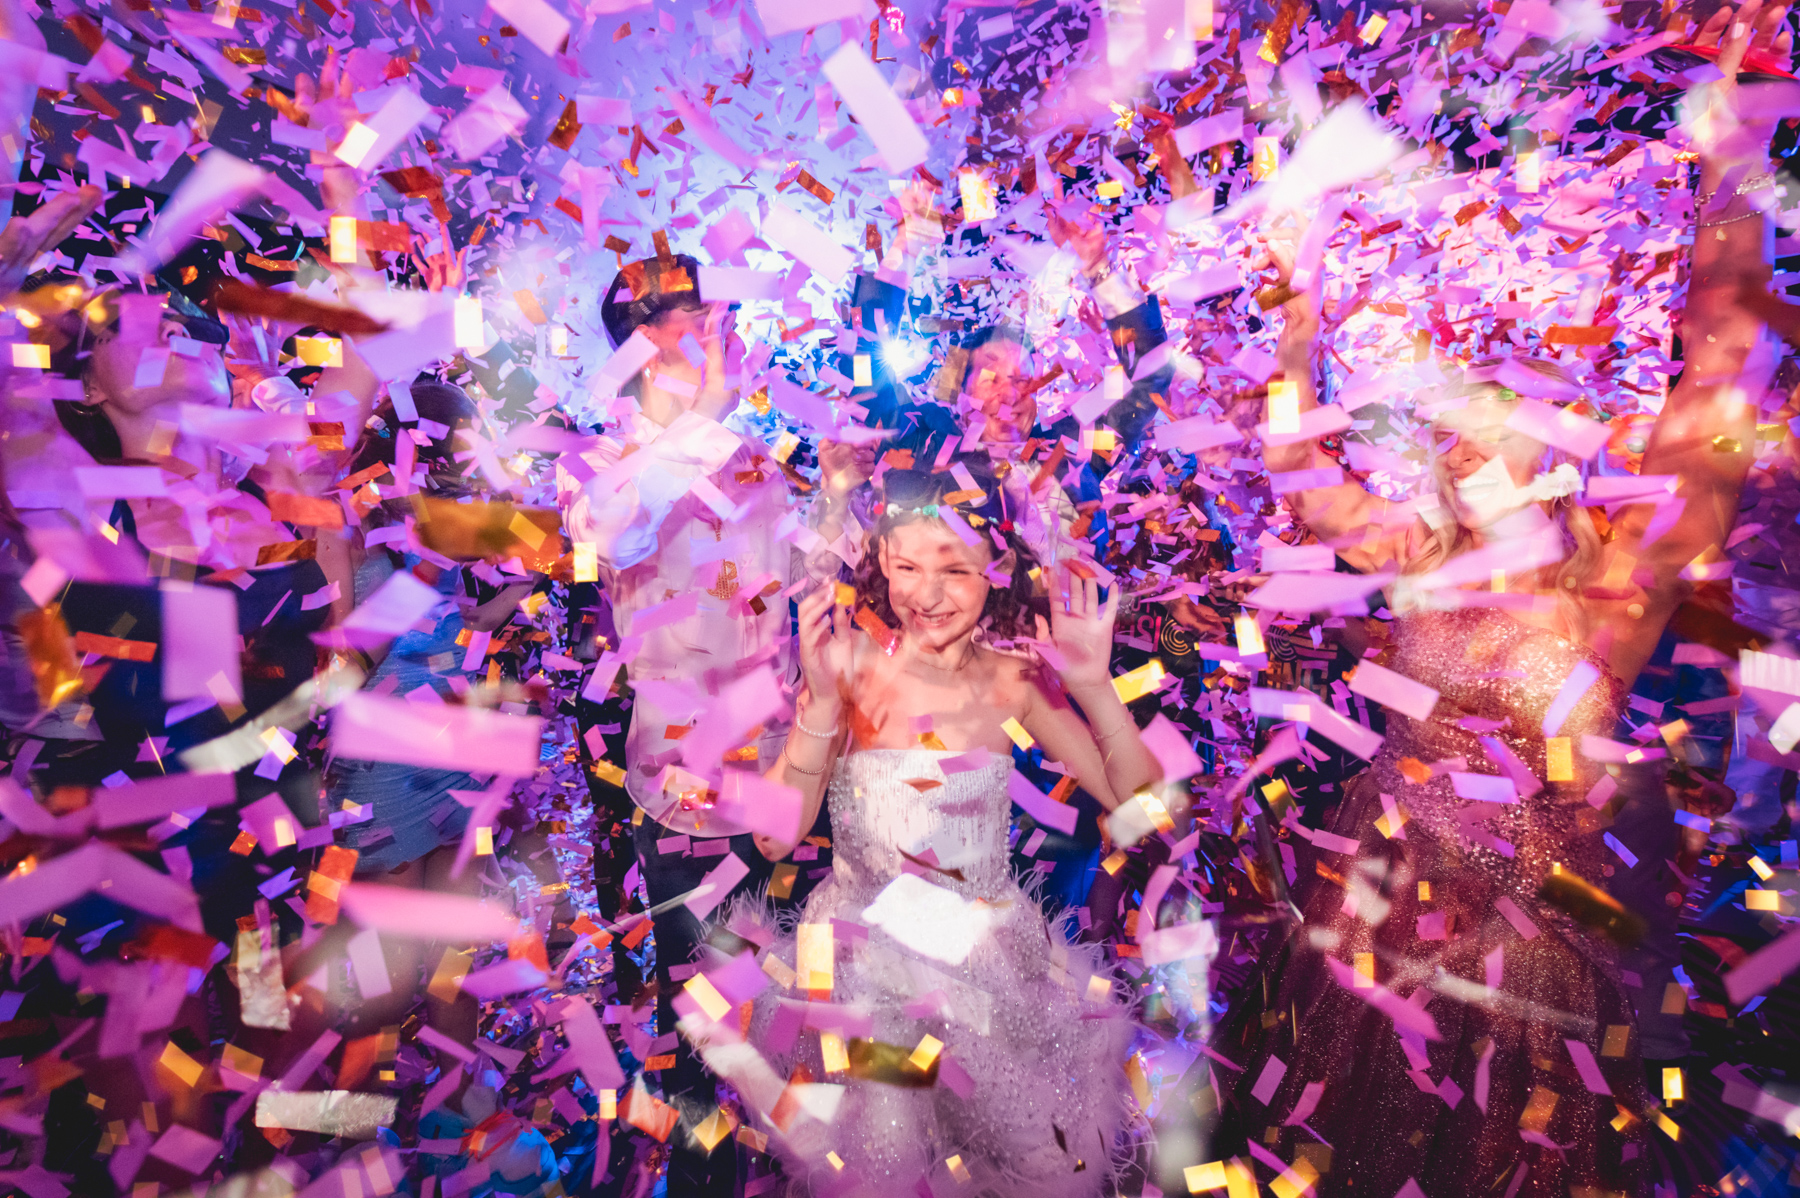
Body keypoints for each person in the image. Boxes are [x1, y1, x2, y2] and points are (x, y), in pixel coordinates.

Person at [1206, 7, 1786, 1196]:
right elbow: (1299, 470)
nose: (1465, 439)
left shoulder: (1614, 591)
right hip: (1382, 929)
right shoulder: (1416, 549)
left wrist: (1729, 166)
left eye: (1499, 422)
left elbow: (1722, 366)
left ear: (1561, 448)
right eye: (1451, 424)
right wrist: (1299, 321)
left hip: (1536, 962)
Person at [682, 468, 1175, 1197]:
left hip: (986, 967)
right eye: (907, 566)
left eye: (956, 570)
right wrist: (820, 702)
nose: (928, 594)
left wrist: (1096, 686)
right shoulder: (845, 665)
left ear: (997, 572)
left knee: (1028, 1152)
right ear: (880, 562)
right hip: (861, 963)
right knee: (882, 1160)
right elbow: (775, 843)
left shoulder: (1013, 682)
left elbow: (1143, 810)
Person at [556, 252, 839, 1196]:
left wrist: (837, 500)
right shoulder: (600, 463)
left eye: (708, 307)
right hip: (693, 804)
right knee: (706, 1036)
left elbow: (799, 590)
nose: (710, 322)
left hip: (793, 782)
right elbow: (612, 538)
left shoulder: (753, 452)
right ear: (635, 344)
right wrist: (707, 418)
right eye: (681, 313)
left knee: (793, 1010)